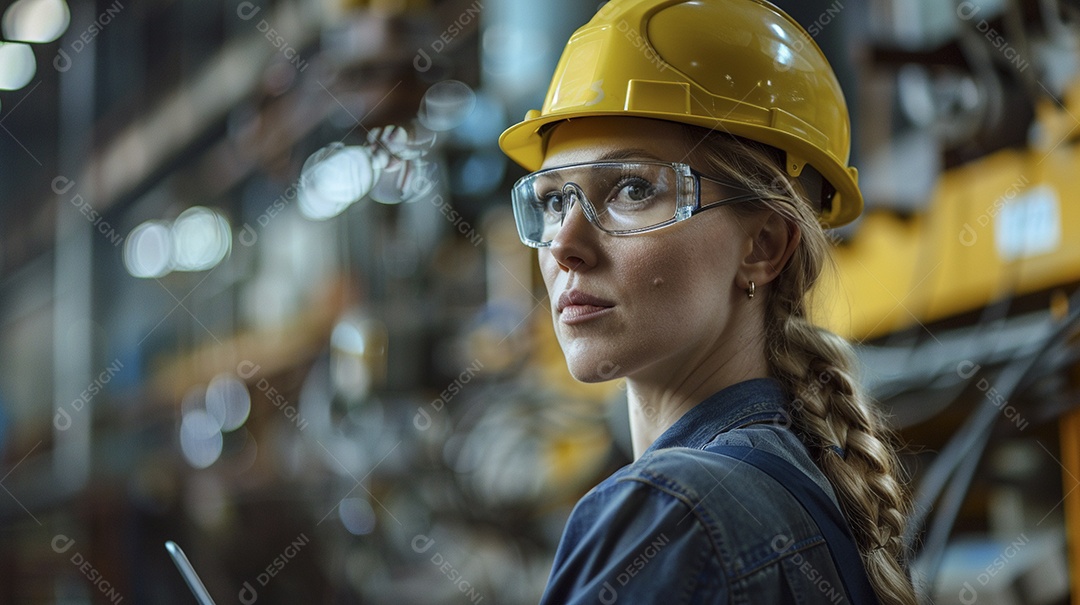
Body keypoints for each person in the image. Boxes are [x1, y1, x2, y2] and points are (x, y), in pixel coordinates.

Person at [498, 1, 918, 604]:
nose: (564, 244)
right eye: (555, 200)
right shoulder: (808, 496)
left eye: (633, 189)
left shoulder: (668, 516)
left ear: (763, 245)